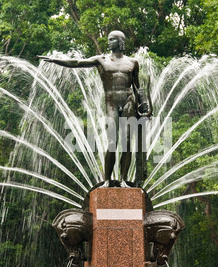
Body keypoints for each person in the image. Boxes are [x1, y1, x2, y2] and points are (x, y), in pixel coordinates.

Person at [39, 30, 152, 188]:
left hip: (129, 102)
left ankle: (124, 179)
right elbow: (77, 63)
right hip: (111, 103)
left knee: (126, 142)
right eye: (108, 39)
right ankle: (107, 180)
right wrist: (54, 60)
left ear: (120, 42)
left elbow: (137, 87)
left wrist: (144, 106)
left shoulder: (132, 63)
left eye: (112, 39)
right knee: (112, 141)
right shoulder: (101, 60)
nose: (108, 42)